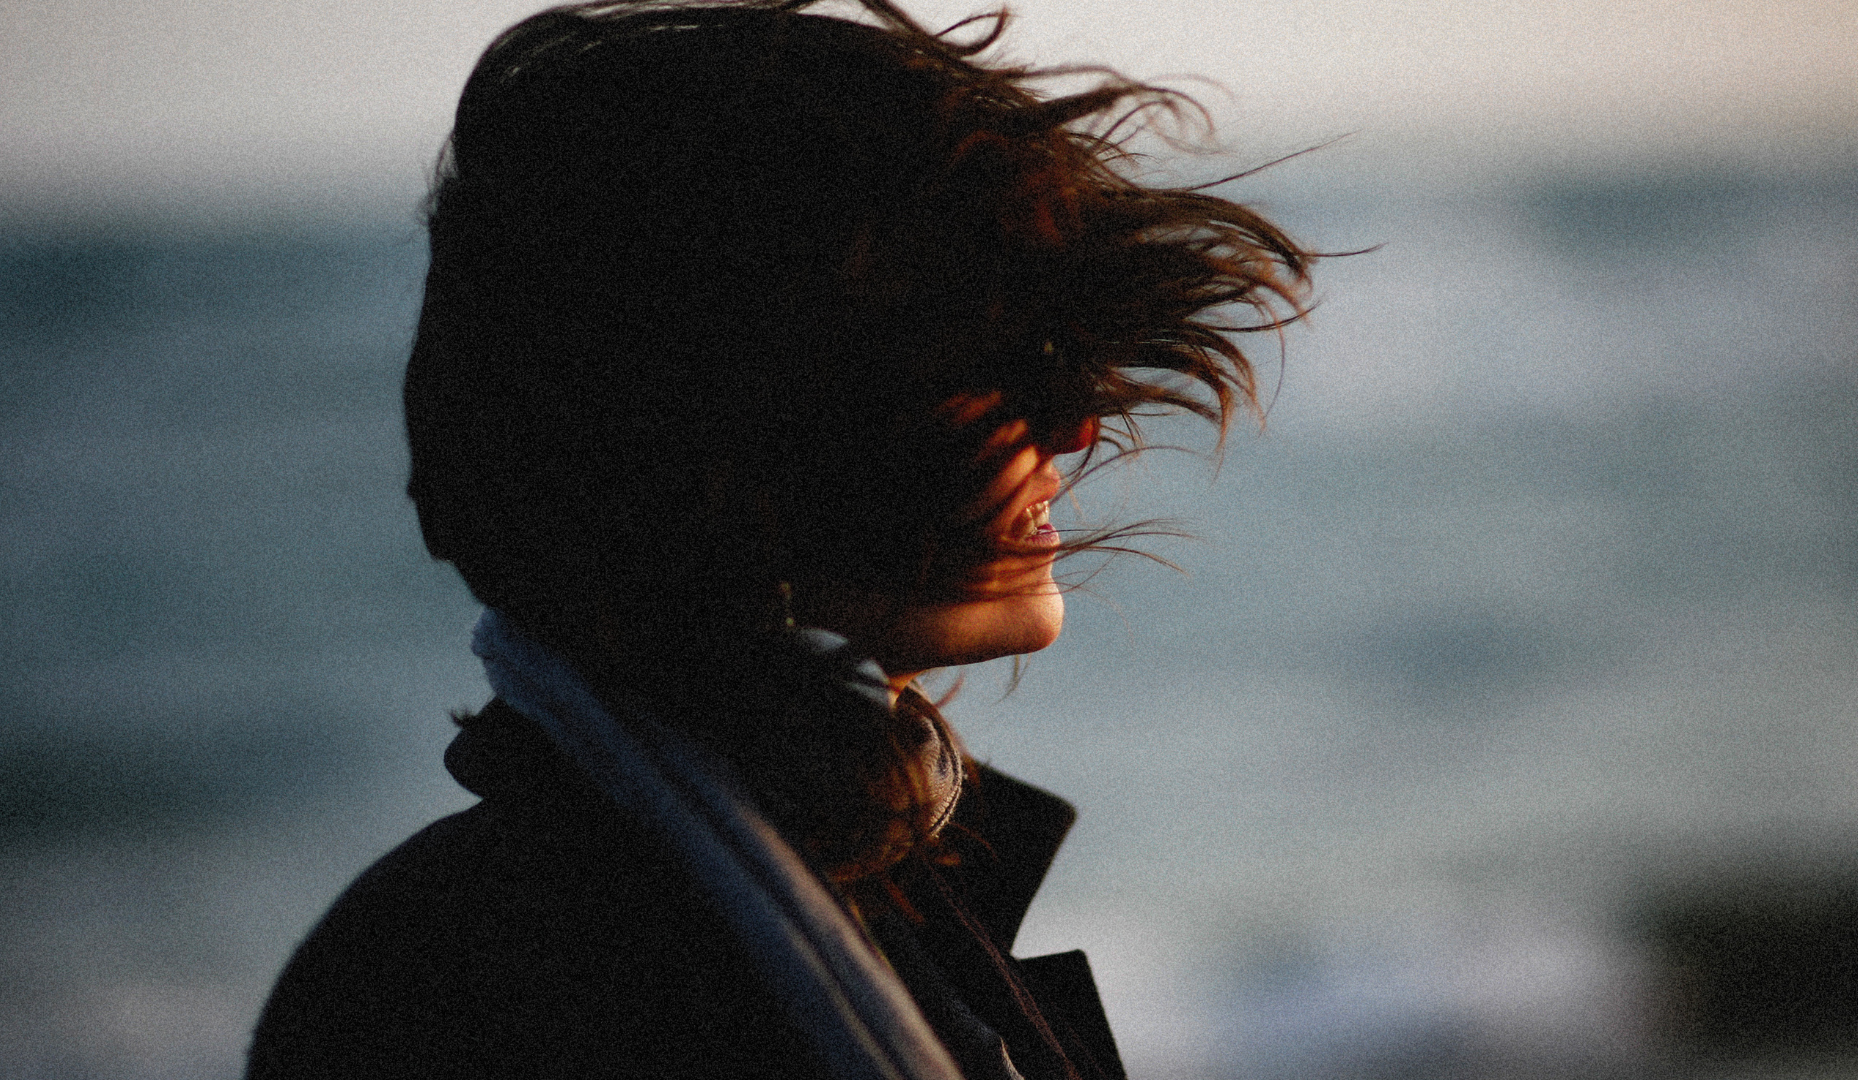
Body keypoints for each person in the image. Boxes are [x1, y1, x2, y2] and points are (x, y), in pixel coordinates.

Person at [247, 2, 1311, 1078]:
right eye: (991, 364)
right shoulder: (486, 995)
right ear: (737, 425)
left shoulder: (853, 868)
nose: (1076, 426)